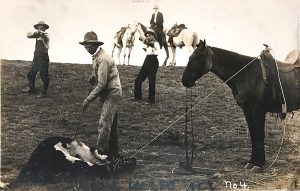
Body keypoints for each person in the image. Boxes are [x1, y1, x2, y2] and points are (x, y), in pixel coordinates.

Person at [79, 31, 122, 158]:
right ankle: (112, 153)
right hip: (107, 92)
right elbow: (98, 74)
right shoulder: (96, 55)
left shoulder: (103, 59)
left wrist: (88, 99)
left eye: (89, 46)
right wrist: (93, 77)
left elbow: (102, 84)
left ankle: (101, 153)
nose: (87, 49)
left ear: (95, 44)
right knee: (110, 123)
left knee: (104, 123)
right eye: (85, 46)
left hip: (112, 93)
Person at [22, 21, 50, 98]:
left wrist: (38, 32)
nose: (40, 27)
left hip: (43, 58)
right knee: (31, 74)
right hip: (37, 57)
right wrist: (36, 33)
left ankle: (43, 93)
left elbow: (43, 35)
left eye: (42, 26)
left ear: (45, 28)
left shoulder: (46, 35)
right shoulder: (37, 36)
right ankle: (32, 89)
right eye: (39, 26)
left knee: (44, 76)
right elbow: (28, 35)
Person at [134, 29, 159, 104]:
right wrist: (144, 42)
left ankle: (151, 100)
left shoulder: (156, 43)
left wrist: (146, 41)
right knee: (138, 79)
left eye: (149, 35)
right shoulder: (148, 43)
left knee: (151, 81)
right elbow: (145, 49)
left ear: (153, 36)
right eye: (147, 36)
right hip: (147, 60)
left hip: (153, 60)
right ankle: (137, 97)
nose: (148, 36)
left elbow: (155, 48)